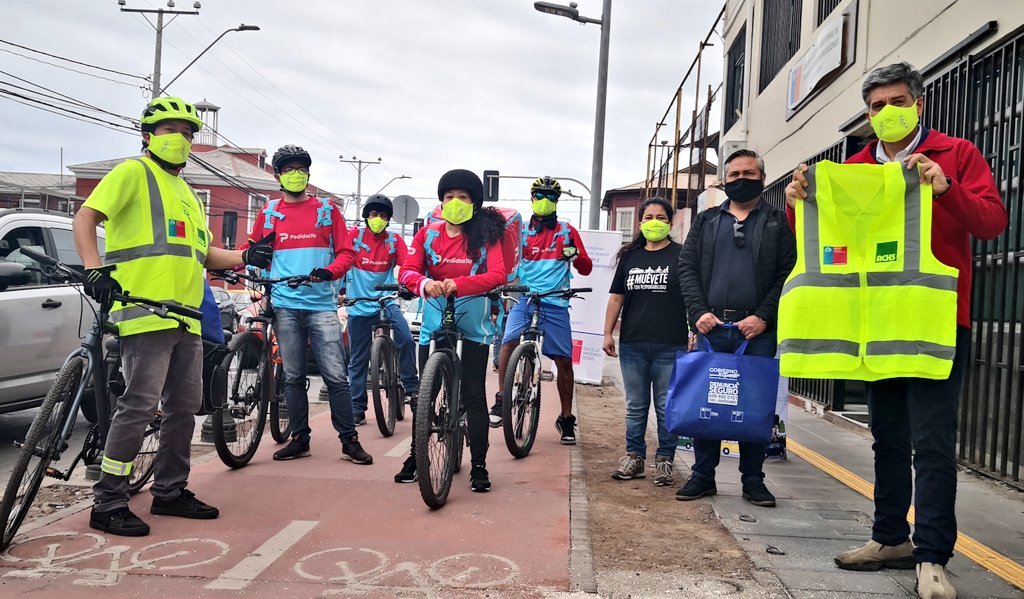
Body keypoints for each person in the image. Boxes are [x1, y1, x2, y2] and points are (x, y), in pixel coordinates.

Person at [786, 62, 1006, 598]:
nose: (886, 112)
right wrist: (798, 205)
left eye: (897, 101)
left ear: (919, 104)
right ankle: (889, 538)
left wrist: (946, 187)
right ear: (868, 112)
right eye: (877, 105)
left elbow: (991, 222)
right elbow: (823, 243)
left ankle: (933, 556)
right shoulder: (852, 166)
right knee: (887, 439)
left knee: (932, 444)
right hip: (875, 329)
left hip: (935, 324)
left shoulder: (957, 154)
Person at [72, 96, 274, 537]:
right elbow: (86, 217)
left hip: (186, 316)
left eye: (187, 133)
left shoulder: (185, 193)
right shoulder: (132, 173)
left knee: (185, 407)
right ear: (148, 136)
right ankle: (108, 500)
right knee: (139, 406)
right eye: (170, 131)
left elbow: (200, 254)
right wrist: (93, 268)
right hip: (144, 309)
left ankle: (170, 491)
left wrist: (244, 255)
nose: (179, 139)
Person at [676, 148, 796, 508]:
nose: (741, 179)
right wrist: (698, 312)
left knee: (755, 405)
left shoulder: (777, 222)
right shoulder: (707, 221)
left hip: (756, 331)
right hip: (712, 327)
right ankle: (702, 476)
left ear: (761, 177)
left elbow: (787, 274)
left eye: (748, 173)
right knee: (706, 404)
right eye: (734, 174)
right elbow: (687, 268)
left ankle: (753, 480)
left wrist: (763, 316)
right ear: (724, 180)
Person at [248, 145, 370, 466]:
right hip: (285, 306)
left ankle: (349, 440)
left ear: (309, 174)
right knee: (292, 375)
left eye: (301, 168)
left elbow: (347, 254)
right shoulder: (269, 213)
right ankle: (299, 439)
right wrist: (257, 282)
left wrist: (329, 272)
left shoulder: (328, 212)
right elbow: (254, 254)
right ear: (278, 175)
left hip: (321, 307)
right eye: (289, 169)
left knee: (335, 375)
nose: (295, 174)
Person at [397, 169, 507, 491]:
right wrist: (424, 283)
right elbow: (408, 271)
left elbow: (498, 274)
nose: (455, 202)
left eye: (463, 197)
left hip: (474, 320)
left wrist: (460, 283)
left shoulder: (486, 237)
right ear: (440, 201)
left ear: (474, 203)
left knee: (473, 392)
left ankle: (479, 465)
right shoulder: (427, 235)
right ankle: (417, 456)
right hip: (433, 319)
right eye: (449, 197)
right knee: (425, 394)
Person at [491, 176, 592, 445]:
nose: (545, 201)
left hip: (555, 301)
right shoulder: (519, 230)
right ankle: (502, 397)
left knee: (564, 362)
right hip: (524, 298)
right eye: (540, 196)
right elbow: (500, 254)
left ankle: (566, 419)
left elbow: (586, 267)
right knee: (508, 342)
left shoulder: (567, 231)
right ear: (532, 198)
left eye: (550, 197)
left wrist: (576, 255)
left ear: (557, 201)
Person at [603, 197, 687, 486]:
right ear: (640, 223)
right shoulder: (630, 257)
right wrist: (607, 332)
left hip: (670, 344)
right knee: (636, 405)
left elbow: (692, 297)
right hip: (633, 344)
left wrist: (695, 332)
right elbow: (616, 298)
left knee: (666, 406)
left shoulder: (682, 255)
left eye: (661, 218)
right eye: (649, 217)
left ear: (671, 222)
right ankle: (634, 458)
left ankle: (665, 460)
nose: (655, 222)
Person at [345, 194, 419, 424]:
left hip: (386, 300)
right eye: (374, 214)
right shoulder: (353, 237)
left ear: (389, 220)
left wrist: (409, 284)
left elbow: (408, 265)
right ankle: (357, 407)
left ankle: (411, 388)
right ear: (366, 216)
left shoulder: (394, 241)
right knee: (357, 359)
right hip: (358, 304)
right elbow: (340, 261)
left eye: (383, 215)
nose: (378, 218)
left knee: (406, 338)